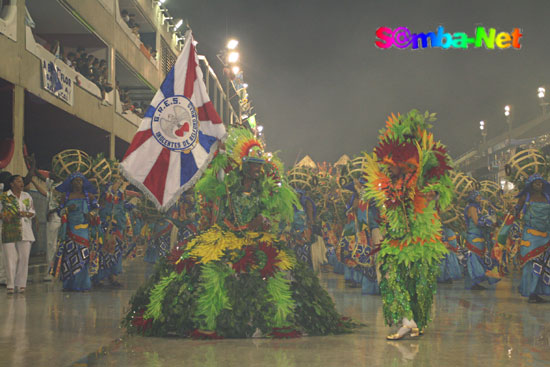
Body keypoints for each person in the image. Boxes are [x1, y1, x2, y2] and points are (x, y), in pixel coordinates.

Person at [123, 127, 355, 338]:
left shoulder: (263, 192)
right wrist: (236, 227)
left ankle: (278, 319)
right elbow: (219, 217)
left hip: (256, 240)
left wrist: (263, 222)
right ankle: (208, 320)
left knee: (276, 271)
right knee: (213, 270)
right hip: (226, 238)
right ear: (244, 166)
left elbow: (271, 218)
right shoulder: (227, 190)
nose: (257, 169)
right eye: (253, 165)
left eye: (260, 165)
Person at [363, 110, 453, 340]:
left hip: (423, 240)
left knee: (420, 285)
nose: (387, 169)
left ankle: (417, 323)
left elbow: (442, 188)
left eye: (391, 165)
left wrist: (435, 192)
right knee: (392, 278)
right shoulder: (391, 184)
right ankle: (406, 320)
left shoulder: (421, 178)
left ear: (403, 162)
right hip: (396, 242)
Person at [498, 174, 550, 303]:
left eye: (541, 182)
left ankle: (539, 291)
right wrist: (510, 215)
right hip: (530, 236)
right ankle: (530, 292)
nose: (539, 185)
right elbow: (515, 212)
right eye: (536, 183)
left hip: (545, 235)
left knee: (543, 263)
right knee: (530, 263)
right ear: (531, 185)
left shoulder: (547, 197)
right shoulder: (525, 197)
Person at [50, 173, 98, 291]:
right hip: (70, 229)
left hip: (84, 228)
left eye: (80, 181)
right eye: (76, 181)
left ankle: (82, 284)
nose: (78, 183)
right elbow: (59, 211)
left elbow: (96, 208)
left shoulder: (89, 196)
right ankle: (69, 283)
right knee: (70, 254)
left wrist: (91, 215)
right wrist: (66, 209)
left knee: (83, 253)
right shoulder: (65, 197)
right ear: (71, 183)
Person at [0, 175, 35, 294]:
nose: (21, 183)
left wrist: (25, 213)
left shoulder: (27, 196)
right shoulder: (4, 197)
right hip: (9, 229)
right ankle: (10, 284)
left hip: (25, 230)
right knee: (10, 257)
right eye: (18, 181)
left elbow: (32, 212)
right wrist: (6, 216)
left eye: (22, 181)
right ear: (11, 184)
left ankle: (20, 284)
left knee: (24, 258)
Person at [464, 190, 501, 290]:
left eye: (480, 196)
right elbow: (476, 222)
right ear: (473, 197)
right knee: (473, 257)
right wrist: (487, 221)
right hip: (473, 236)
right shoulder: (472, 207)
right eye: (478, 196)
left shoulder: (479, 208)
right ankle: (473, 282)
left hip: (480, 236)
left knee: (479, 256)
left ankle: (476, 282)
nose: (480, 198)